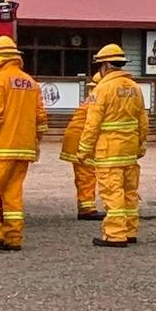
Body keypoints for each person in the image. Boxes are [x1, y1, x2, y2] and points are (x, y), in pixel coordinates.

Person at [0, 34, 48, 252]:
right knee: (13, 194)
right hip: (24, 149)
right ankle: (13, 238)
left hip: (0, 149)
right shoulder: (31, 82)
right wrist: (37, 143)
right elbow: (41, 118)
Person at [75, 43, 149, 248]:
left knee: (112, 192)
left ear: (106, 65)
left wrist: (83, 149)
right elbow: (143, 119)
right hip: (129, 150)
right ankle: (130, 231)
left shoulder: (103, 89)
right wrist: (141, 144)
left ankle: (115, 235)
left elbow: (92, 123)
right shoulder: (135, 88)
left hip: (109, 151)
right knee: (129, 192)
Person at [59, 62, 106, 221]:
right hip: (80, 139)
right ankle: (87, 209)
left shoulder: (93, 98)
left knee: (85, 174)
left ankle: (86, 206)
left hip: (78, 137)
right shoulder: (98, 98)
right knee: (86, 174)